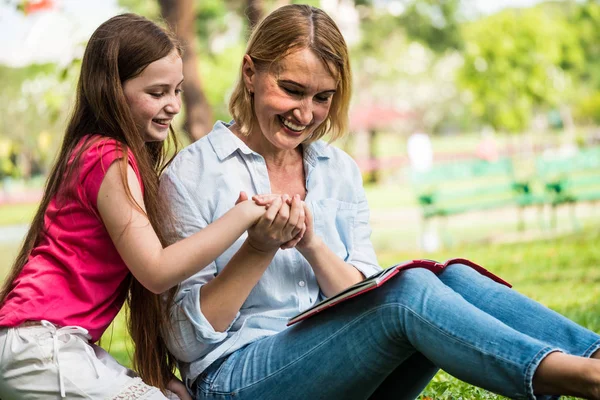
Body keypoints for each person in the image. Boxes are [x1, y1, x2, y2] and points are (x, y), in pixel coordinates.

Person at [160, 4, 600, 400]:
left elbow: (362, 297)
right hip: (236, 379)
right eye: (292, 89)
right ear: (250, 73)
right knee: (405, 291)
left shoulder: (338, 170)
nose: (306, 113)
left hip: (340, 365)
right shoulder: (193, 175)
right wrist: (258, 249)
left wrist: (312, 245)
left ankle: (593, 357)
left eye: (322, 97)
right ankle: (576, 377)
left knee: (452, 277)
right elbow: (187, 343)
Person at [0, 13, 299, 400]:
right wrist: (244, 215)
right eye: (157, 93)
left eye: (177, 90)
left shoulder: (100, 155)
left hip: (52, 344)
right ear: (110, 90)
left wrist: (155, 376)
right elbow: (156, 271)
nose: (173, 105)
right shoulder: (109, 158)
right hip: (40, 348)